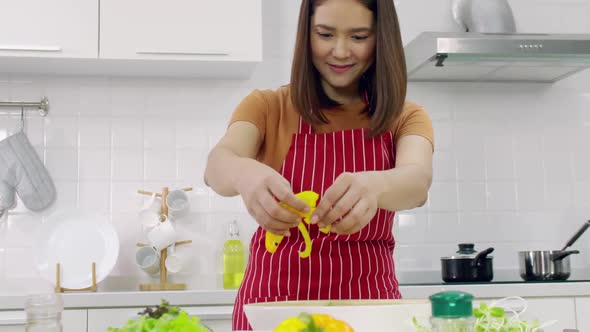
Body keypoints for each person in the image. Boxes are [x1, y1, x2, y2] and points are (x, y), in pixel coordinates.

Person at [204, 0, 434, 330]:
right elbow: (217, 165)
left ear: (380, 40)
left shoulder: (406, 117)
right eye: (325, 34)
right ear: (306, 34)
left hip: (368, 308)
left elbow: (417, 181)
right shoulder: (267, 106)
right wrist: (243, 172)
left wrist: (375, 186)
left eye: (358, 37)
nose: (340, 52)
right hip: (273, 307)